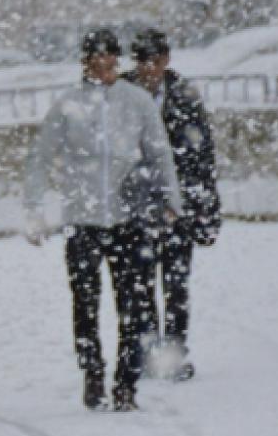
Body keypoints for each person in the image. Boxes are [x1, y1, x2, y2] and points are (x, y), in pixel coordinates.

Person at [23, 28, 182, 412]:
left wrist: (171, 199)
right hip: (83, 218)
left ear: (117, 60)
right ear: (85, 62)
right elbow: (41, 156)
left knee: (133, 303)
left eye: (109, 59)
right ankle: (92, 370)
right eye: (95, 59)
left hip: (128, 217)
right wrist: (34, 206)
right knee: (85, 302)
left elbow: (160, 153)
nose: (103, 66)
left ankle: (126, 382)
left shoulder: (137, 101)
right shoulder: (67, 105)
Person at [124, 28, 221, 381]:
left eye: (156, 60)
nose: (150, 68)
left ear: (166, 60)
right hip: (135, 208)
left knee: (176, 283)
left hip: (179, 207)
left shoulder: (183, 96)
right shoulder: (121, 96)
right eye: (143, 61)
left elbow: (202, 154)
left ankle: (175, 351)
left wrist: (205, 206)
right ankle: (151, 351)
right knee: (140, 284)